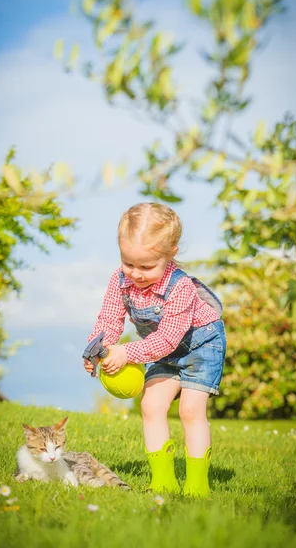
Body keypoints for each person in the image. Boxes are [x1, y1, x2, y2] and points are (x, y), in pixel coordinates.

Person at [83, 202, 226, 497]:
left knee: (190, 410)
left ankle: (197, 486)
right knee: (150, 406)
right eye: (128, 263)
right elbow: (109, 319)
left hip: (201, 345)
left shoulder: (181, 286)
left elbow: (169, 339)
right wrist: (98, 350)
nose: (135, 273)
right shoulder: (119, 281)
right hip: (159, 349)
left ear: (170, 254)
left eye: (146, 266)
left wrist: (127, 353)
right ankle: (163, 481)